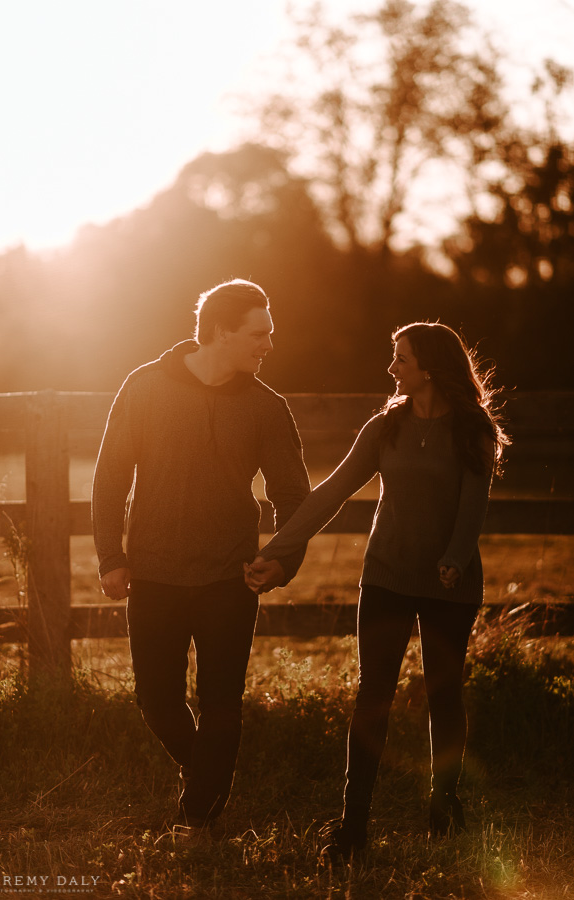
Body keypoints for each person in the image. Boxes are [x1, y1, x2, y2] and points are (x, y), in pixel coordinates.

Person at [245, 322, 509, 860]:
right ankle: (353, 823)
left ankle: (444, 803)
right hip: (386, 577)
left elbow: (472, 503)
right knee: (373, 696)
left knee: (443, 693)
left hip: (447, 585)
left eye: (401, 359)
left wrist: (455, 559)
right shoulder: (384, 427)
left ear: (430, 367)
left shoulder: (472, 428)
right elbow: (331, 493)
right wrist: (277, 548)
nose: (391, 368)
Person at [92, 278, 310, 842]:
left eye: (269, 334)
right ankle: (209, 775)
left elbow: (292, 495)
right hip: (154, 573)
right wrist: (111, 556)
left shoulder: (267, 407)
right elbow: (110, 478)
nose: (268, 345)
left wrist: (281, 559)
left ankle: (198, 818)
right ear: (220, 332)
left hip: (229, 577)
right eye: (257, 334)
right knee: (155, 699)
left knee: (220, 703)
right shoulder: (143, 387)